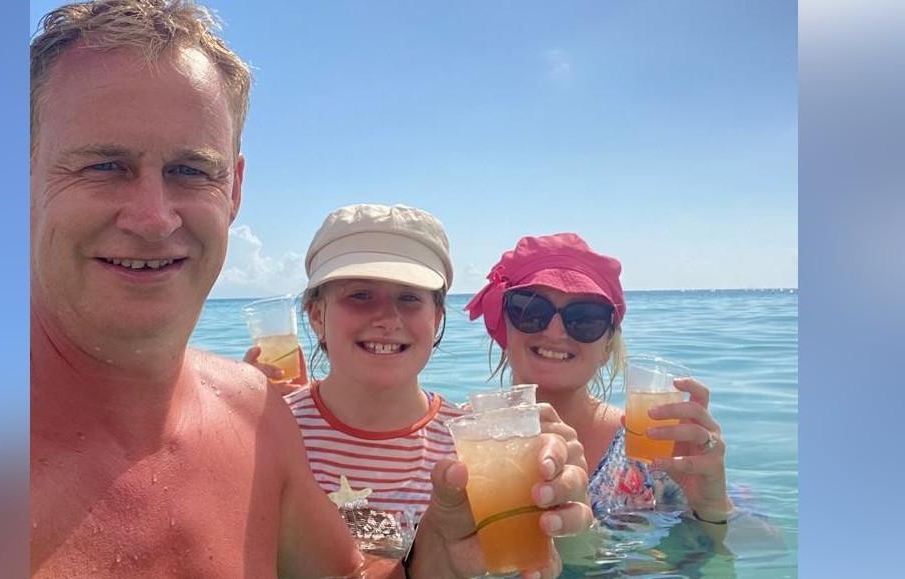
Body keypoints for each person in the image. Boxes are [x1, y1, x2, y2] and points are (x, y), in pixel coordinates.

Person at [30, 1, 590, 577]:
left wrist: (442, 556)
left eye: (191, 170)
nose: (153, 217)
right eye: (102, 166)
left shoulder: (252, 414)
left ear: (234, 190)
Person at [248, 204, 593, 572]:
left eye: (410, 297)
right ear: (317, 316)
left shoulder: (476, 447)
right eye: (360, 295)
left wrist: (566, 524)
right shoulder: (266, 433)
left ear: (437, 318)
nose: (387, 318)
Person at [466, 233, 735, 539]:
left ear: (607, 345)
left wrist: (711, 507)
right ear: (504, 327)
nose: (555, 332)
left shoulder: (656, 449)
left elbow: (766, 545)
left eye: (584, 318)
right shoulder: (462, 442)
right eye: (530, 310)